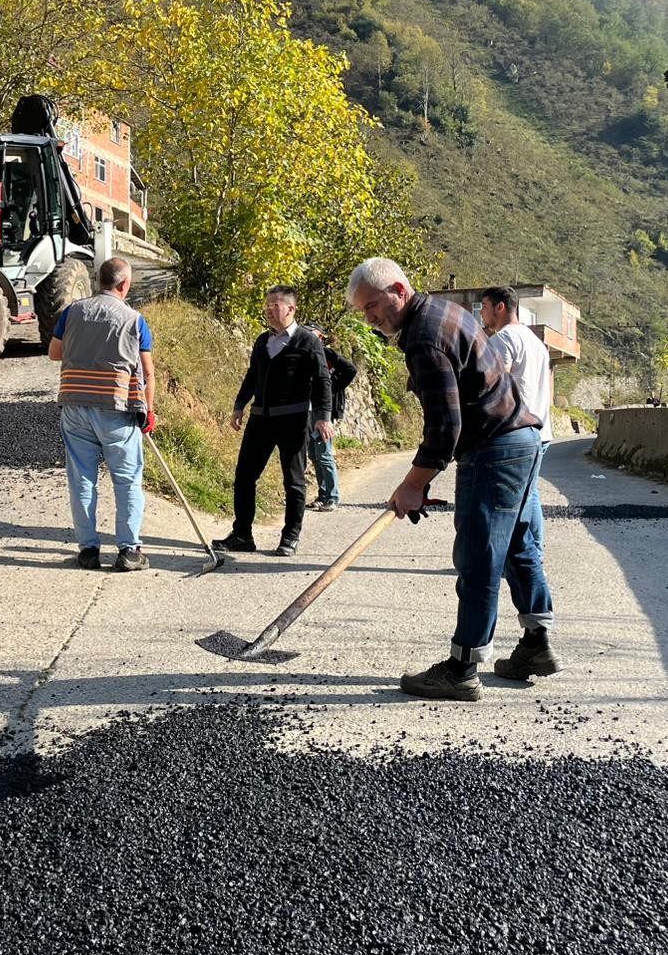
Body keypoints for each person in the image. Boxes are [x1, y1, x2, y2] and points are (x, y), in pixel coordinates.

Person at [346, 258, 557, 701]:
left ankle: (462, 668)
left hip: (495, 448)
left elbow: (445, 428)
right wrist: (420, 482)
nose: (370, 319)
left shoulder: (425, 337)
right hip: (523, 440)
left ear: (398, 290)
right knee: (517, 543)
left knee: (480, 555)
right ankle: (536, 645)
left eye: (372, 307)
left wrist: (412, 484)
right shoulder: (446, 313)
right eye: (363, 312)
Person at [49, 256, 156, 573]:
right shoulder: (134, 320)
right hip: (117, 410)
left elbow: (55, 353)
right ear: (124, 284)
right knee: (127, 480)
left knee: (82, 479)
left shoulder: (72, 312)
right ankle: (129, 550)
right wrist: (149, 410)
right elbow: (148, 372)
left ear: (98, 282)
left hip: (75, 407)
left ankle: (88, 551)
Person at [212, 286, 333, 558]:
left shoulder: (308, 341)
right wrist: (239, 405)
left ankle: (290, 536)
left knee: (293, 481)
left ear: (291, 309)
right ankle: (242, 534)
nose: (268, 309)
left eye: (274, 305)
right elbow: (252, 374)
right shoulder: (261, 341)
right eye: (267, 305)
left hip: (293, 421)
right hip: (260, 420)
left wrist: (323, 417)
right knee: (244, 476)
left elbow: (323, 379)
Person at [478, 286, 553, 562]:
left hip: (517, 432)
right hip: (541, 430)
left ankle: (529, 556)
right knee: (530, 494)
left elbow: (497, 386)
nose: (482, 314)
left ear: (500, 307)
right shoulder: (535, 342)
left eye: (484, 306)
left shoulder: (504, 338)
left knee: (522, 498)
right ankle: (533, 555)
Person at [307, 326, 358, 512]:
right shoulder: (307, 353)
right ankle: (322, 495)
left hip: (324, 413)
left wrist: (331, 386)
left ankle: (332, 497)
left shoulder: (326, 353)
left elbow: (351, 370)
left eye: (312, 334)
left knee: (324, 454)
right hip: (310, 410)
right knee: (314, 454)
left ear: (320, 337)